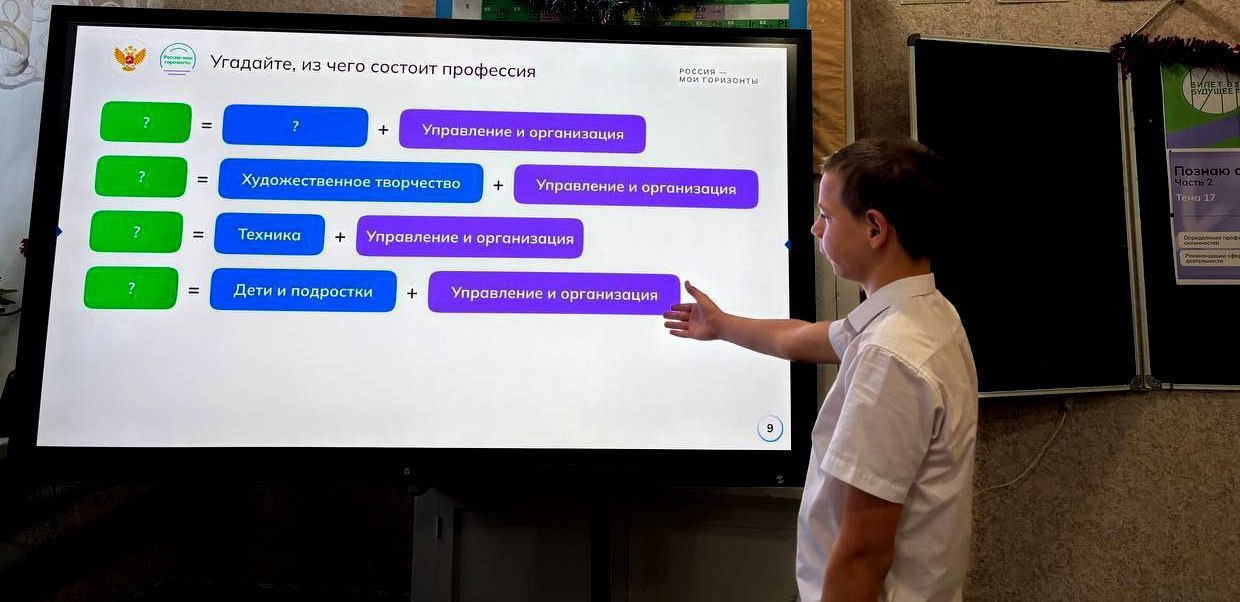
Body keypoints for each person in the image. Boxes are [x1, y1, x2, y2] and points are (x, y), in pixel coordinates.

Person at [663, 137, 977, 602]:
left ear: (875, 229)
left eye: (826, 216)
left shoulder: (890, 358)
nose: (814, 228)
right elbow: (799, 339)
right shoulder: (925, 314)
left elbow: (863, 556)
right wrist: (722, 325)